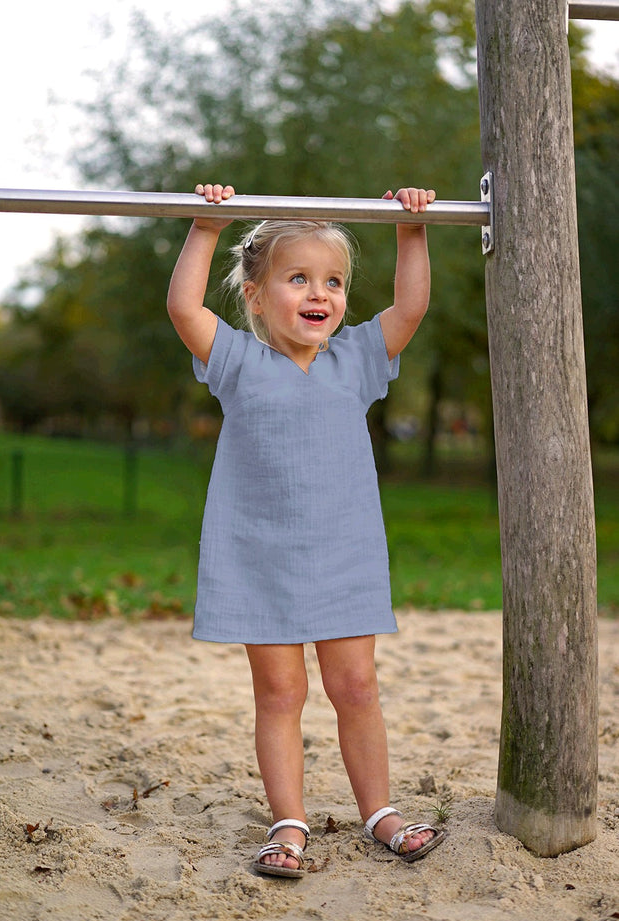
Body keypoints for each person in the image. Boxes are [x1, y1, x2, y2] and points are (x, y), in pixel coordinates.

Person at [167, 182, 445, 878]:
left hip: (343, 555)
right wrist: (206, 226)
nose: (320, 292)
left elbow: (411, 305)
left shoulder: (355, 361)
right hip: (258, 557)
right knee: (281, 695)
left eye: (334, 281)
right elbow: (182, 306)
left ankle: (378, 811)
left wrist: (412, 229)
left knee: (356, 688)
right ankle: (288, 822)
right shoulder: (237, 363)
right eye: (298, 279)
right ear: (257, 296)